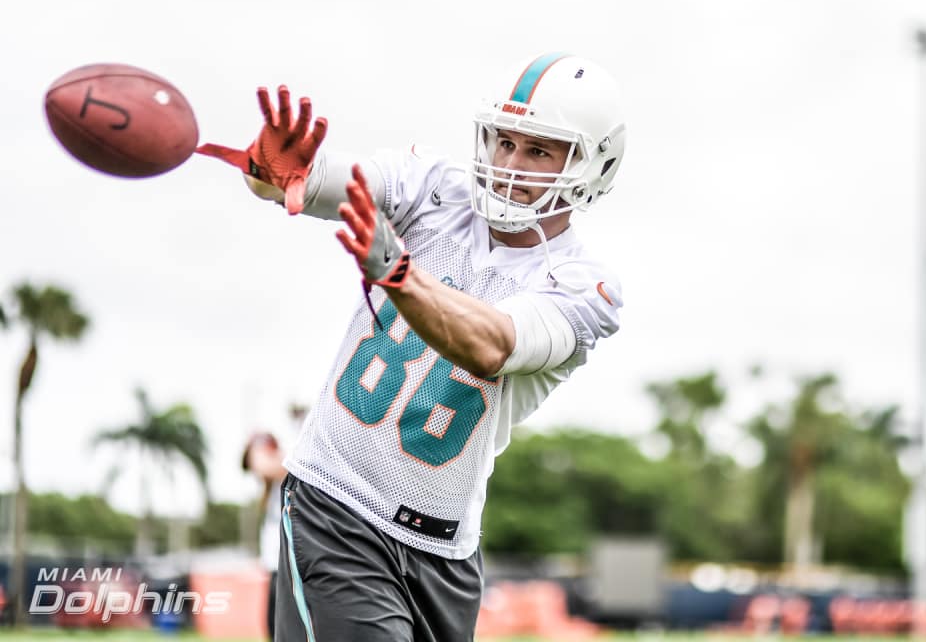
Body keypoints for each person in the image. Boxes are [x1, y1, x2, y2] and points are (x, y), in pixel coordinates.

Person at [196, 53, 626, 641]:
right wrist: (273, 169)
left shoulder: (583, 286)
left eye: (539, 150)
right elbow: (297, 182)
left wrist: (397, 272)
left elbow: (491, 344)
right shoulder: (431, 187)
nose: (510, 164)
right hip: (336, 505)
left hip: (446, 552)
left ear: (591, 164)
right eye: (504, 141)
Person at [241, 432, 286, 639]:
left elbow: (267, 465)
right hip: (275, 567)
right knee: (272, 627)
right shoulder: (271, 490)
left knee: (281, 629)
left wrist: (257, 451)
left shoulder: (287, 465)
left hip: (286, 566)